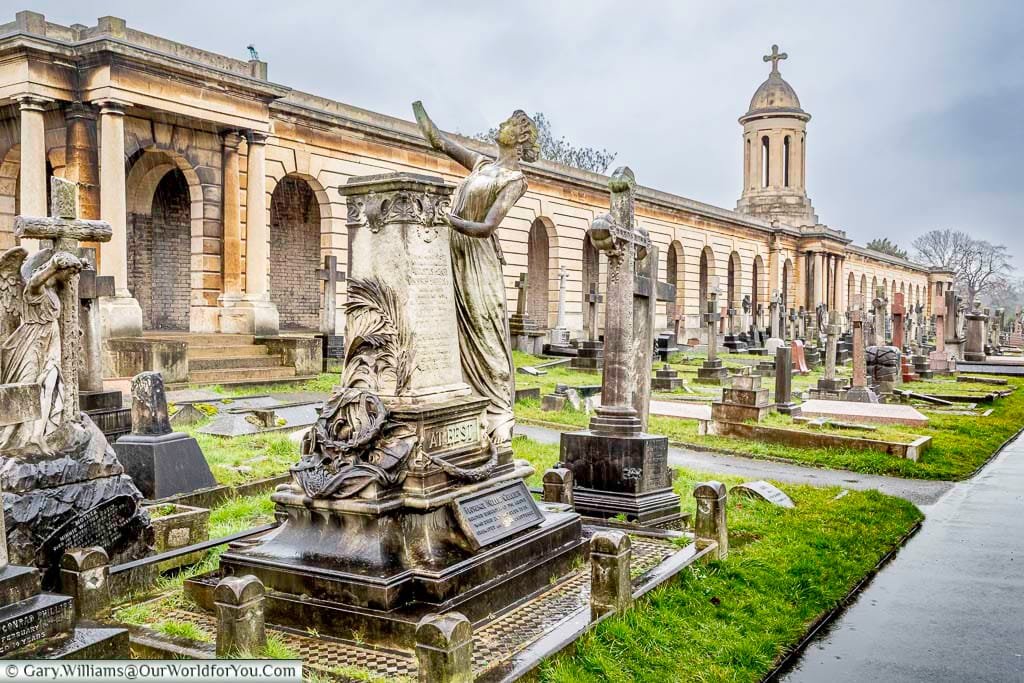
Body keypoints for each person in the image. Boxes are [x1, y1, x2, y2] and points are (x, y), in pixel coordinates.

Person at [413, 101, 539, 446]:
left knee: (485, 330)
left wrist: (446, 219)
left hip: (477, 260)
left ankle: (499, 414)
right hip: (452, 253)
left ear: (520, 138)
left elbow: (486, 227)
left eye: (509, 123)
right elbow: (438, 140)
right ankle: (468, 408)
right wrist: (419, 109)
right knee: (456, 330)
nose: (500, 124)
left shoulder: (515, 180)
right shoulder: (481, 164)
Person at [0, 249, 81, 453]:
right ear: (57, 269)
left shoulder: (53, 293)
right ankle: (11, 437)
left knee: (50, 383)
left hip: (51, 341)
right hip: (31, 342)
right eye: (69, 272)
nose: (71, 277)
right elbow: (35, 281)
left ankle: (37, 435)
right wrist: (53, 265)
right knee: (28, 386)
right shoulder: (35, 288)